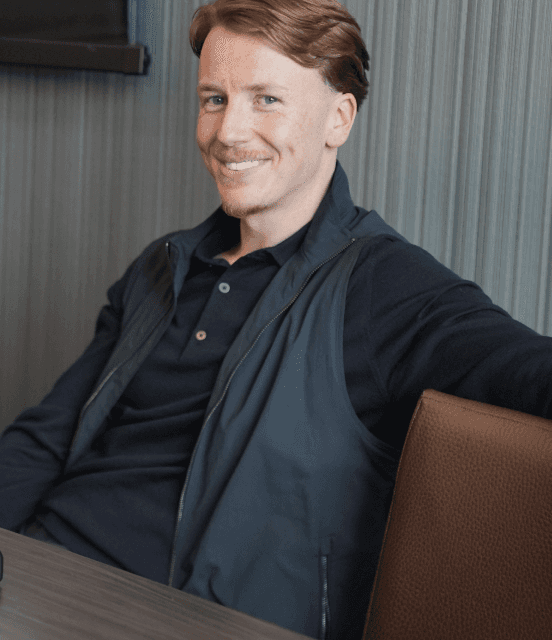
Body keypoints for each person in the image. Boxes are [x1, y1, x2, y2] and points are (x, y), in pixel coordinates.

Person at [1, 0, 551, 638]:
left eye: (266, 99)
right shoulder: (165, 263)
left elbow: (527, 370)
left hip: (176, 618)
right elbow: (45, 439)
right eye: (214, 99)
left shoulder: (385, 285)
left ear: (338, 118)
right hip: (40, 575)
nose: (229, 131)